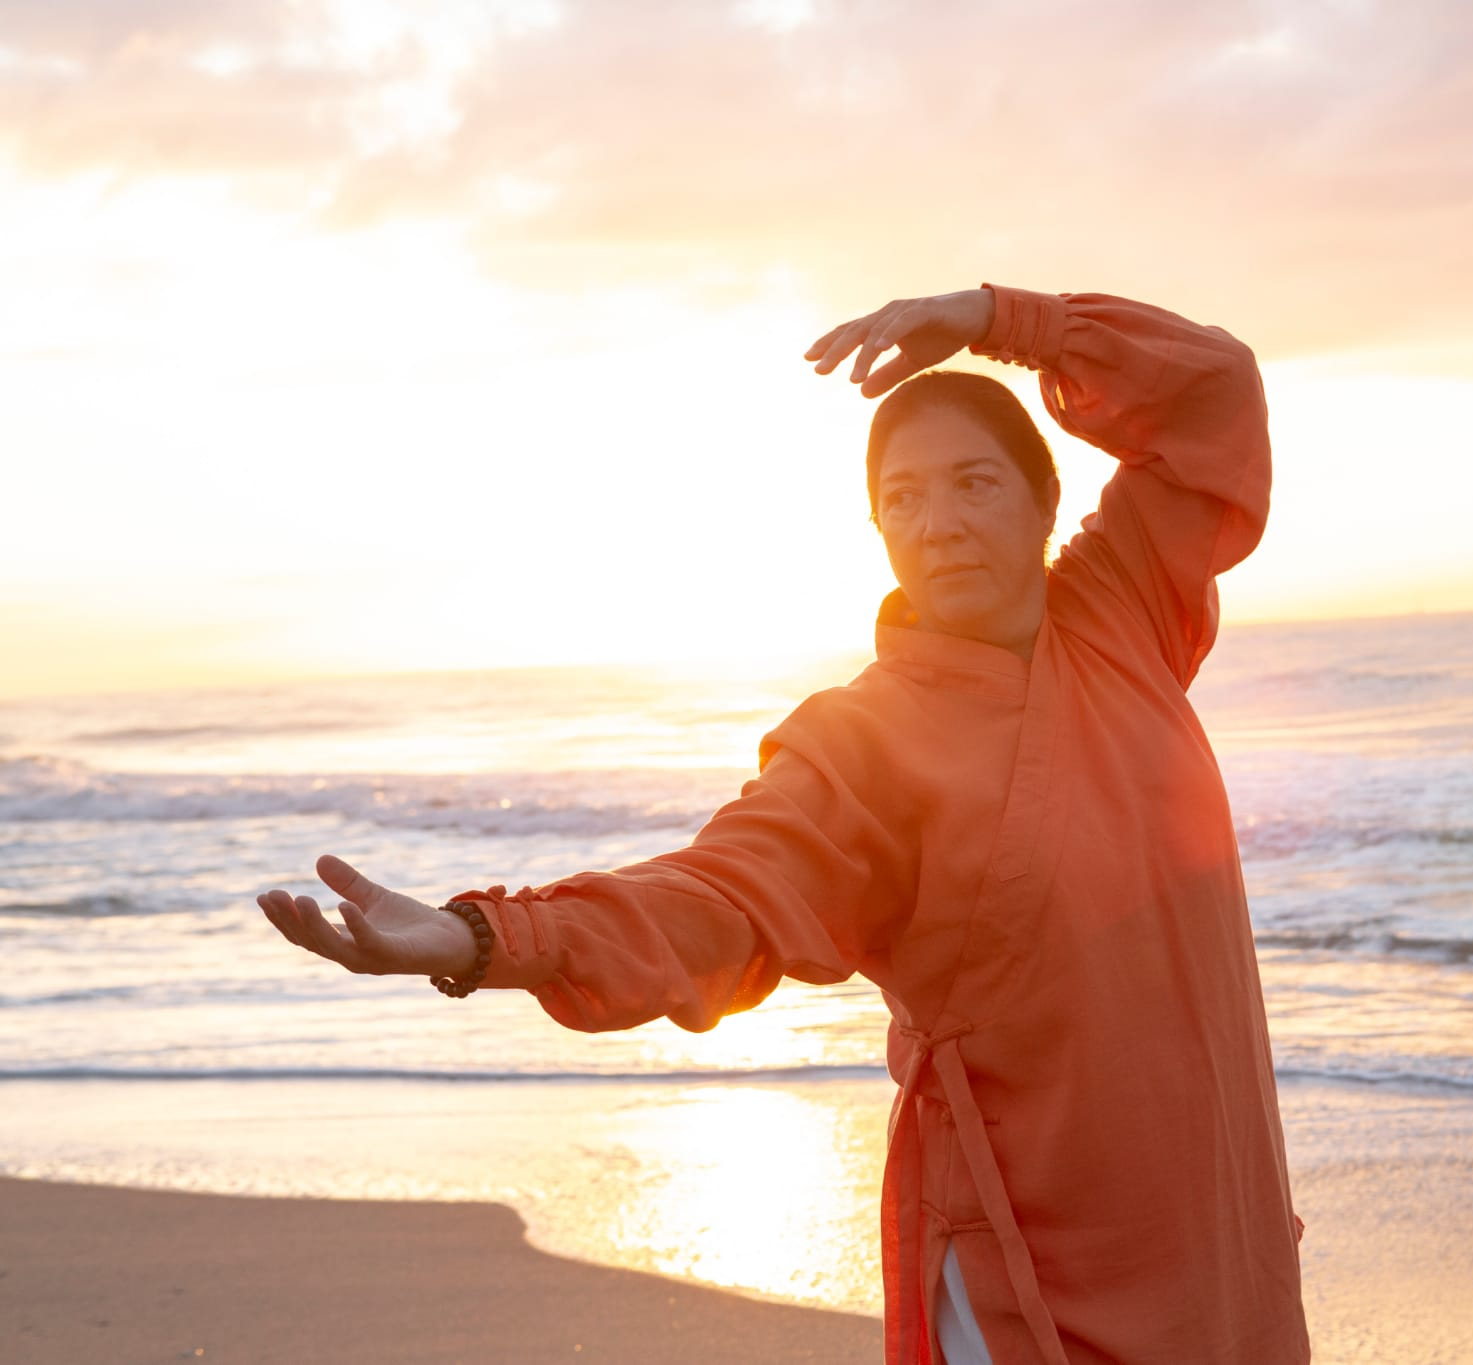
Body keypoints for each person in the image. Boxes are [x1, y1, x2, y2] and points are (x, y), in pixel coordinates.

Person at [259, 283, 1310, 1364]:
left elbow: (1214, 393)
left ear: (1045, 500)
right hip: (1028, 1261)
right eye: (901, 500)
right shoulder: (863, 739)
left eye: (973, 483)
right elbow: (724, 895)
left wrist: (1002, 320)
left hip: (1208, 1232)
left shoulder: (1123, 612)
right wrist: (488, 939)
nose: (938, 524)